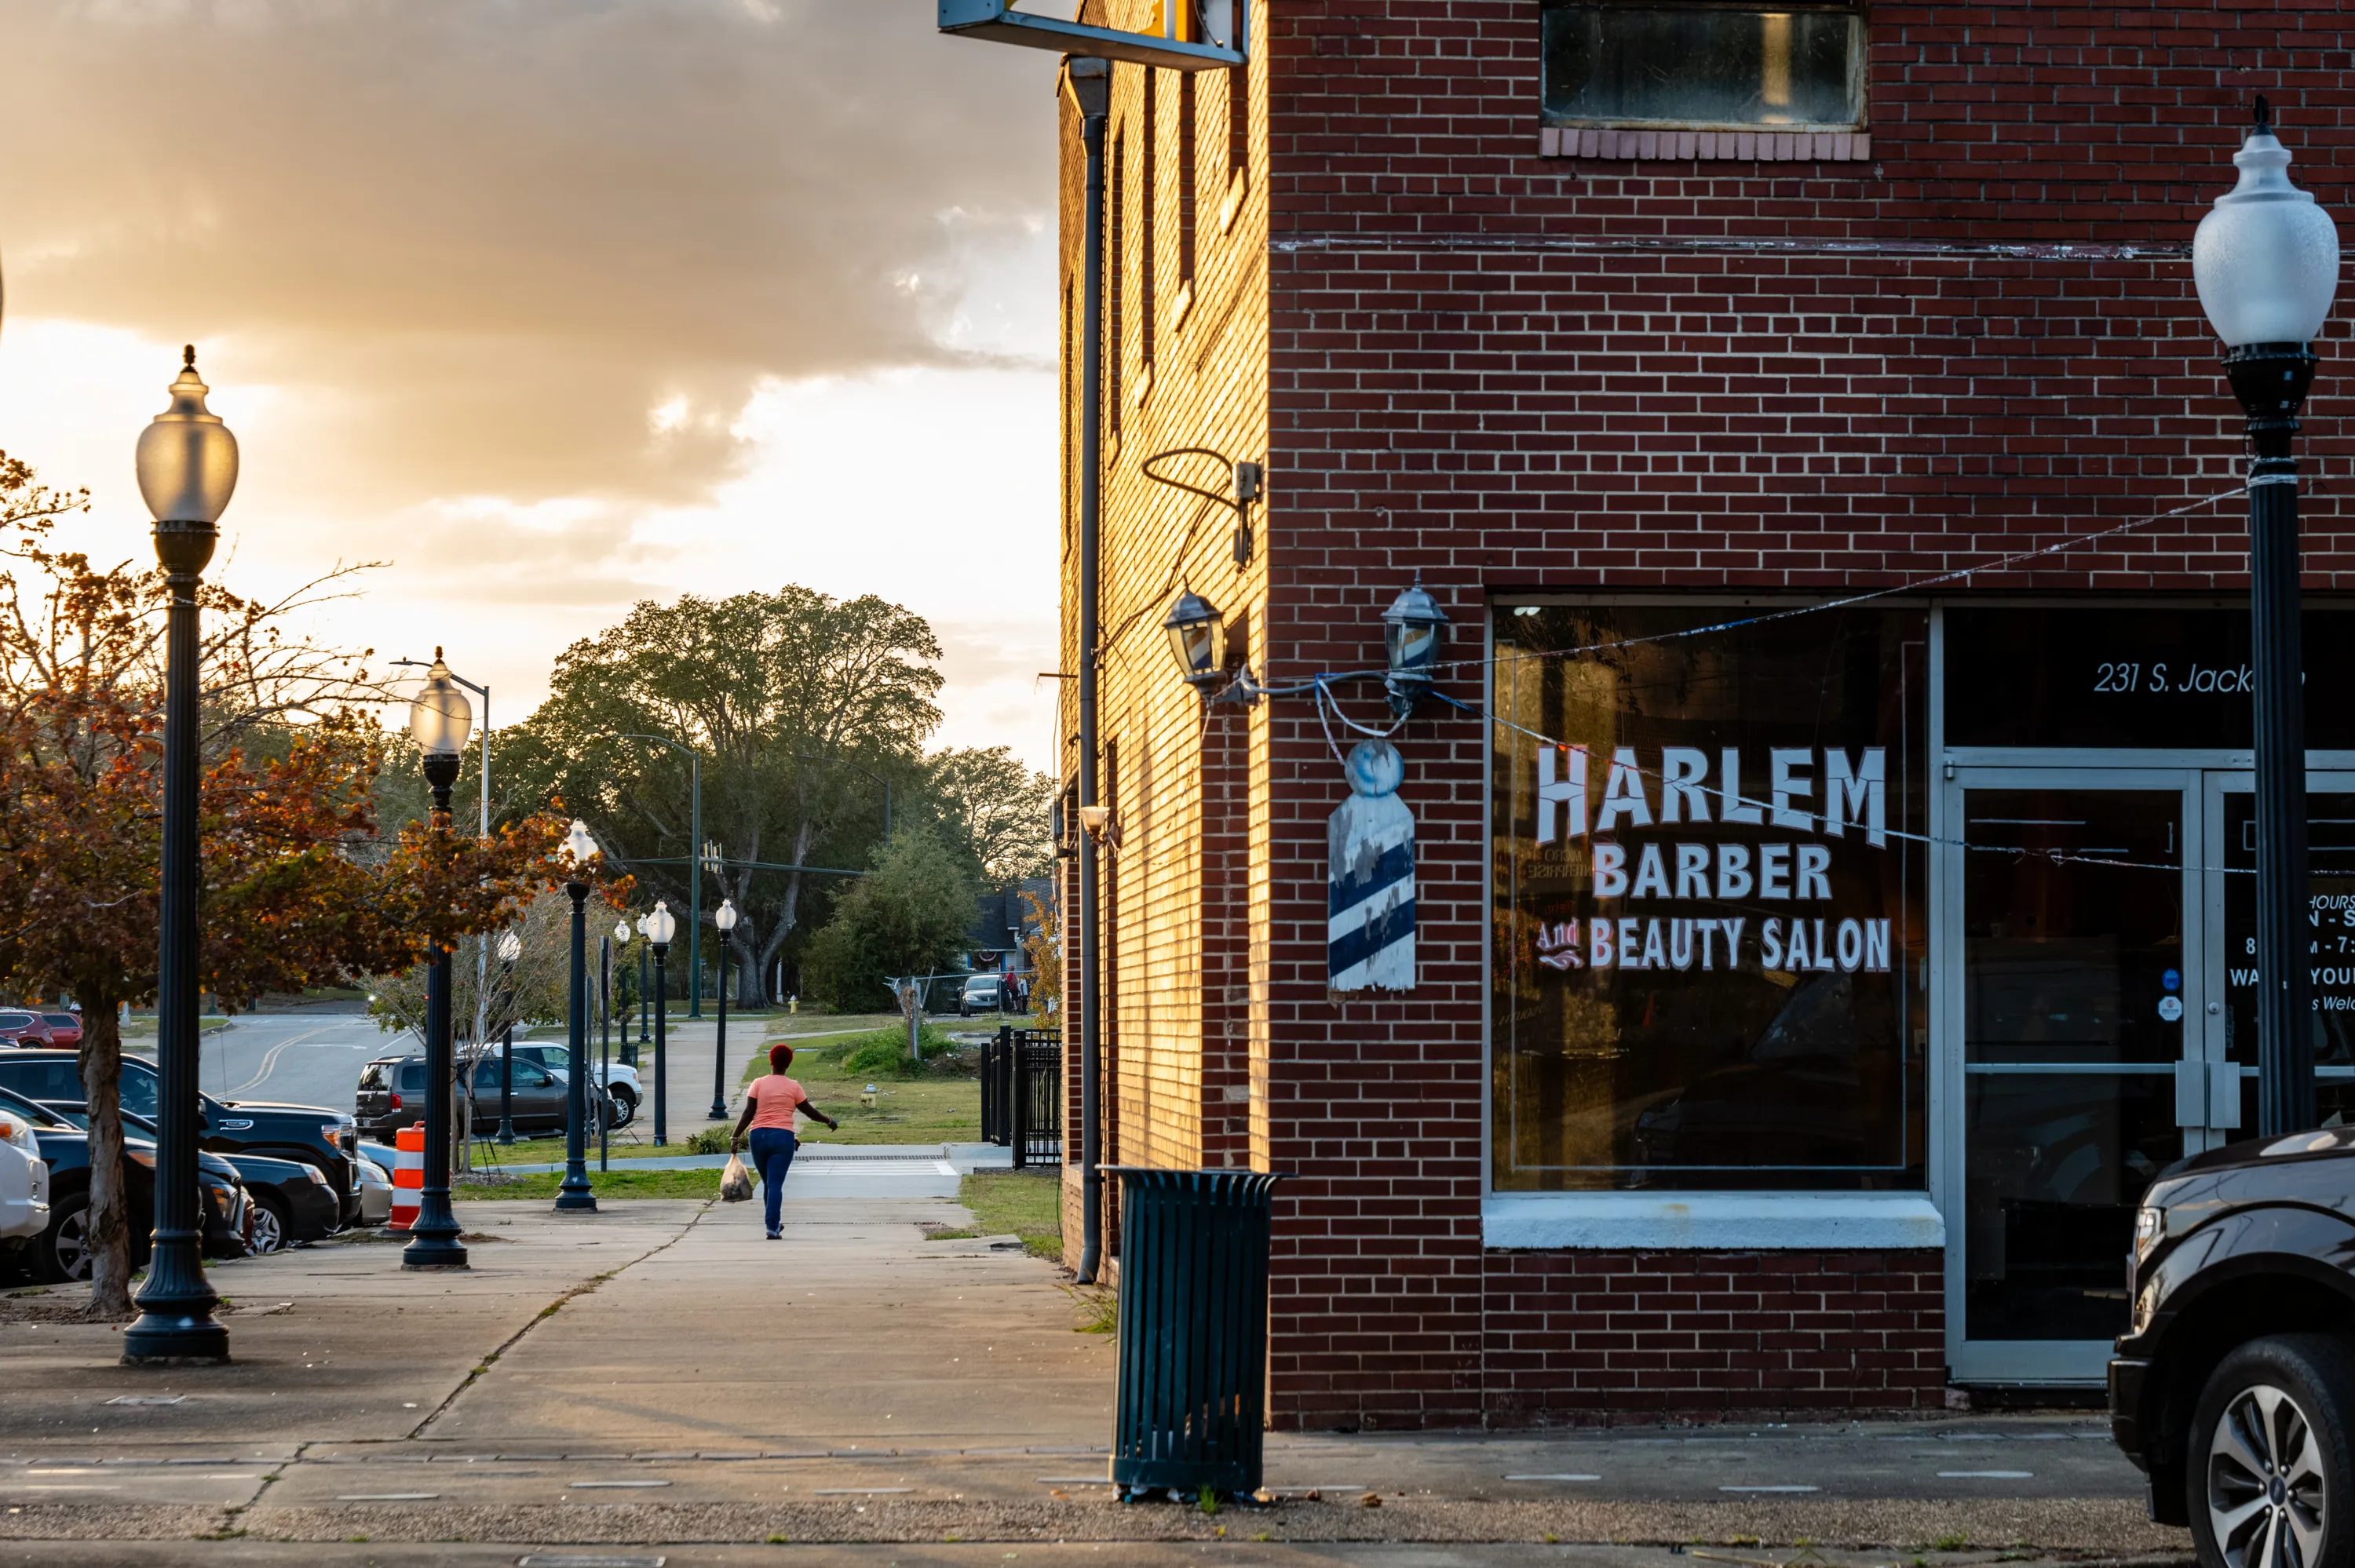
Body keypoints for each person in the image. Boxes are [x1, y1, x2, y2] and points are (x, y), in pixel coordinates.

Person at [731, 1042, 838, 1239]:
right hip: (782, 1139)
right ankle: (772, 1226)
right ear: (788, 1064)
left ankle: (773, 1223)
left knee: (768, 1183)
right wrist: (829, 1121)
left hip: (758, 1137)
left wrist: (735, 1136)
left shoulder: (758, 1083)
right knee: (775, 1185)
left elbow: (748, 1113)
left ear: (771, 1061)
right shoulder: (793, 1086)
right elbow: (810, 1112)